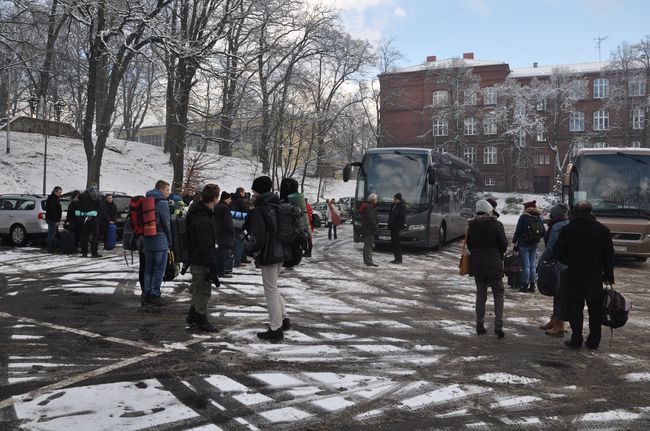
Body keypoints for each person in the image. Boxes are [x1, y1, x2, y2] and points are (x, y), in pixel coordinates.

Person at [554, 201, 615, 350]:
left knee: (576, 306)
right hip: (594, 275)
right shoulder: (602, 230)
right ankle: (594, 340)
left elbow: (558, 253)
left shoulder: (568, 230)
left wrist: (571, 261)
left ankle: (576, 339)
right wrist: (608, 274)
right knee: (595, 308)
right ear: (591, 212)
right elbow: (609, 255)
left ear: (574, 213)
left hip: (574, 274)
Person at [243, 175, 291, 343]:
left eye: (254, 190)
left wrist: (248, 248)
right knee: (274, 287)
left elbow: (259, 239)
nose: (253, 194)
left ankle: (276, 328)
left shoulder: (260, 209)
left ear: (258, 190)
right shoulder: (276, 204)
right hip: (282, 251)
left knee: (270, 290)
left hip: (269, 254)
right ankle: (283, 319)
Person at [467, 199, 508, 338]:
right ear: (489, 210)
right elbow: (503, 244)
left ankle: (479, 324)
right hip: (494, 263)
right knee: (498, 294)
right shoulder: (496, 225)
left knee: (481, 294)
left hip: (477, 263)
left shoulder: (472, 226)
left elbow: (470, 245)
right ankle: (498, 326)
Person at [186, 183, 221, 331]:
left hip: (194, 257)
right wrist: (212, 267)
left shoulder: (196, 212)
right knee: (203, 290)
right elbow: (206, 246)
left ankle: (193, 315)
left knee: (197, 287)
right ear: (214, 198)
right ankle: (200, 317)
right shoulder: (203, 219)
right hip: (201, 259)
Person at [538, 203, 570, 336]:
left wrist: (541, 261)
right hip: (565, 263)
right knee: (558, 292)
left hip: (559, 263)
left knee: (560, 293)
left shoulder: (556, 227)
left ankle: (560, 325)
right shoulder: (566, 223)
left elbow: (551, 247)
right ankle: (555, 319)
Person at [142, 180, 172, 306]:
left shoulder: (147, 199)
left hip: (147, 238)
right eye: (167, 190)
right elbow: (166, 223)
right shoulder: (162, 203)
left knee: (148, 268)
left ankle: (147, 292)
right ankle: (155, 294)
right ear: (161, 189)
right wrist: (170, 240)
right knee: (159, 269)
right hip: (160, 239)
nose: (168, 193)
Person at [512, 200, 545, 293]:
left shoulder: (523, 217)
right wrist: (536, 238)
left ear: (527, 208)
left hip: (523, 244)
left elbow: (518, 231)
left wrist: (514, 242)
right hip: (534, 244)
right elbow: (543, 232)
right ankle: (532, 285)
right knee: (532, 265)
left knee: (526, 266)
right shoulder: (538, 218)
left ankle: (525, 285)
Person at [214, 191, 235, 278]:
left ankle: (219, 271)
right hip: (225, 234)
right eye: (229, 199)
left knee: (220, 253)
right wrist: (232, 230)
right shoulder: (225, 208)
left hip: (219, 233)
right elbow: (228, 223)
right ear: (225, 199)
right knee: (223, 254)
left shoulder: (218, 206)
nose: (230, 200)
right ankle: (221, 272)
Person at [78, 183, 101, 258]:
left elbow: (79, 207)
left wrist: (85, 215)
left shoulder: (82, 196)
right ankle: (94, 253)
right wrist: (93, 215)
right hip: (94, 218)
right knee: (95, 236)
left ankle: (84, 253)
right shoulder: (97, 195)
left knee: (84, 236)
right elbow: (99, 208)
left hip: (84, 218)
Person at [231, 187, 251, 266]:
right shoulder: (241, 200)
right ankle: (238, 261)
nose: (244, 193)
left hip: (234, 222)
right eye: (243, 192)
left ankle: (242, 258)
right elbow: (245, 210)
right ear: (240, 192)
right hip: (240, 223)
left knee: (240, 240)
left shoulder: (233, 199)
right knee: (240, 241)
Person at [359, 193, 379, 267]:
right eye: (376, 199)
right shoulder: (369, 207)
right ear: (372, 200)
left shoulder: (368, 206)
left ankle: (366, 260)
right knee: (368, 245)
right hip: (369, 229)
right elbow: (371, 219)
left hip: (367, 229)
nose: (376, 201)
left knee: (367, 244)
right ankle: (368, 260)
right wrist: (376, 227)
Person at [388, 193, 406, 264]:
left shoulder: (401, 206)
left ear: (398, 199)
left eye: (395, 199)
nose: (394, 200)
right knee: (394, 243)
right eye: (394, 199)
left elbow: (401, 218)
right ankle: (396, 258)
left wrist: (396, 226)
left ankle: (399, 259)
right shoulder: (393, 205)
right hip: (392, 227)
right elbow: (391, 215)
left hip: (396, 227)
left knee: (397, 243)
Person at [45, 186, 63, 253]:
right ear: (55, 192)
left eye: (61, 192)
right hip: (52, 219)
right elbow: (53, 211)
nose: (60, 194)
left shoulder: (55, 198)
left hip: (52, 219)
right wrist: (56, 220)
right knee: (51, 234)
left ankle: (52, 248)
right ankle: (50, 249)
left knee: (53, 234)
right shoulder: (52, 199)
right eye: (59, 192)